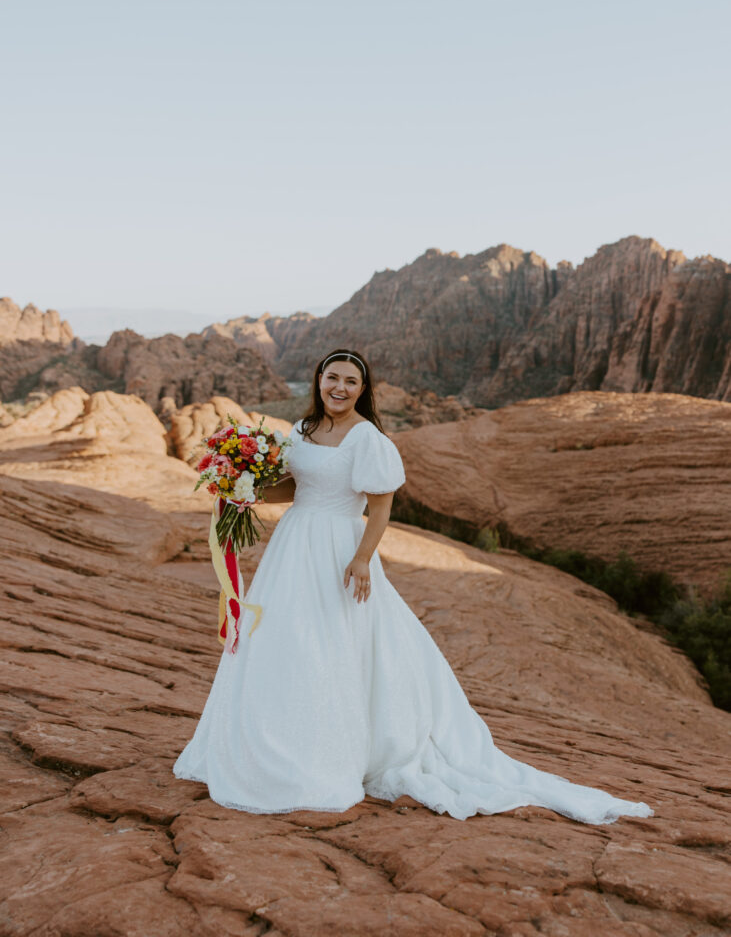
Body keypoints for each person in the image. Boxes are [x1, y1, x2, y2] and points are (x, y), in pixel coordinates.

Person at [173, 348, 654, 823]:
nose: (339, 388)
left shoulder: (368, 439)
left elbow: (379, 507)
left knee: (334, 641)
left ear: (363, 390)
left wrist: (362, 559)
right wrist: (241, 488)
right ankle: (266, 744)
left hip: (339, 548)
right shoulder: (301, 430)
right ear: (318, 379)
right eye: (331, 378)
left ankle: (330, 754)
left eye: (350, 382)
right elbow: (296, 488)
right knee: (282, 640)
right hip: (294, 544)